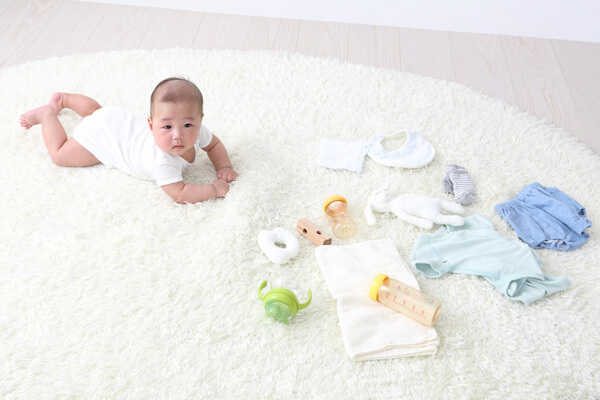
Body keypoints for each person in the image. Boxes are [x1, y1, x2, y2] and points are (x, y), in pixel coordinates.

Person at [19, 77, 238, 204]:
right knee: (60, 154)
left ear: (199, 120)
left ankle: (64, 98)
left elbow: (214, 145)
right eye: (167, 127)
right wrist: (213, 189)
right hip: (102, 140)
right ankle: (47, 115)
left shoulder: (199, 132)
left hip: (115, 118)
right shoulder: (162, 161)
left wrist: (224, 166)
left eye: (188, 125)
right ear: (151, 124)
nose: (177, 135)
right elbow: (180, 193)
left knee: (96, 111)